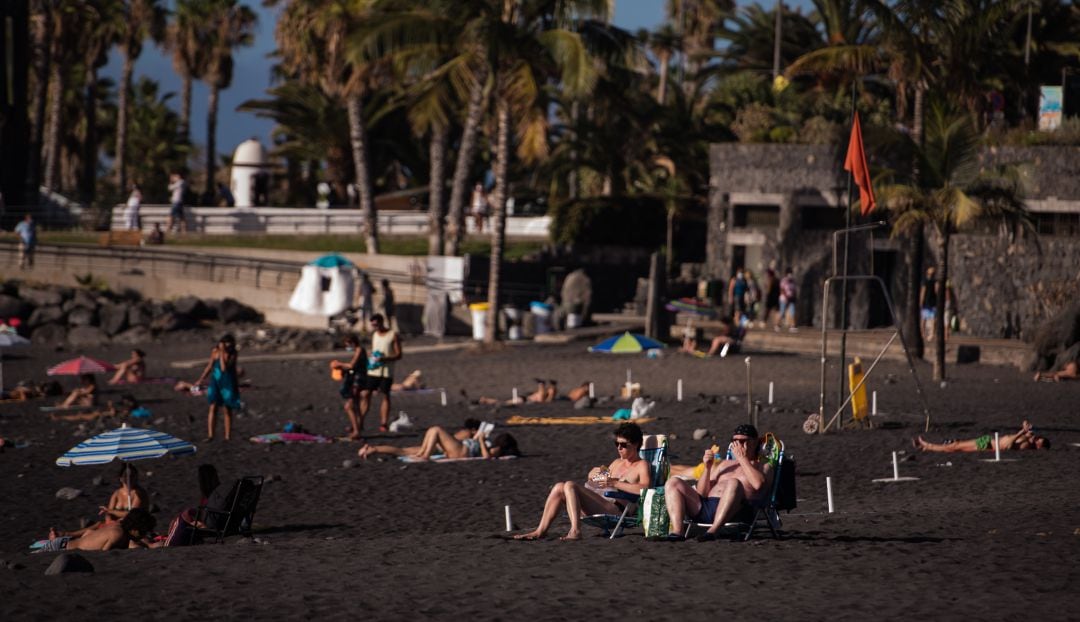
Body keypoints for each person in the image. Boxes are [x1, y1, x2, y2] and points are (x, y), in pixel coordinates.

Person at [514, 422, 651, 541]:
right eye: (616, 444)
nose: (619, 448)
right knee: (559, 487)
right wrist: (595, 474)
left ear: (636, 444)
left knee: (570, 485)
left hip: (617, 510)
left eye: (623, 445)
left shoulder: (642, 465)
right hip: (600, 502)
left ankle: (576, 530)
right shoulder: (616, 463)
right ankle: (540, 531)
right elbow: (596, 478)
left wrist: (615, 483)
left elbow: (645, 488)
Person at [660, 424, 770, 542]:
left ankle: (713, 531)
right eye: (734, 441)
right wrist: (707, 468)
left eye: (742, 441)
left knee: (733, 482)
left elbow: (759, 485)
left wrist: (743, 459)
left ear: (754, 442)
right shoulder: (724, 464)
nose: (738, 445)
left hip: (736, 510)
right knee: (673, 482)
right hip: (706, 506)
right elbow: (702, 493)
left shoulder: (763, 466)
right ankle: (678, 532)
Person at [53, 463, 148, 538]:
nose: (131, 478)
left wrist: (110, 512)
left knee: (100, 530)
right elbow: (108, 514)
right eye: (128, 476)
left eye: (133, 475)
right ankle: (68, 535)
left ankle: (69, 535)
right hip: (116, 524)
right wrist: (109, 519)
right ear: (121, 478)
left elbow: (132, 514)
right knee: (98, 525)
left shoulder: (138, 494)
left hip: (133, 526)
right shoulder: (117, 494)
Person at [358, 419, 519, 461]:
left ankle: (425, 454)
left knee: (436, 429)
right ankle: (374, 449)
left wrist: (482, 440)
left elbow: (486, 456)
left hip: (460, 450)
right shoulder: (472, 436)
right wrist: (479, 438)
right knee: (406, 450)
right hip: (458, 448)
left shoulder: (495, 447)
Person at [193, 334, 241, 441]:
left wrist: (223, 353)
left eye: (229, 343)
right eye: (225, 343)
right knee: (213, 406)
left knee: (227, 408)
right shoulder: (215, 351)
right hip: (215, 381)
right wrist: (201, 378)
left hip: (228, 382)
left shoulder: (233, 354)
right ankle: (211, 435)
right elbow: (210, 366)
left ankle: (227, 436)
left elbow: (224, 368)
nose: (227, 345)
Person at [358, 314, 401, 433]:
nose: (375, 327)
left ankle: (384, 423)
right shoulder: (375, 335)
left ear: (382, 322)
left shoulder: (393, 335)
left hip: (386, 371)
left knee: (385, 395)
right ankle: (359, 422)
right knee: (366, 394)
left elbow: (399, 354)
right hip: (373, 370)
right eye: (373, 325)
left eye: (376, 324)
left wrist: (385, 359)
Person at [42, 508, 156, 552]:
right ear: (135, 529)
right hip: (60, 548)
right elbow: (104, 552)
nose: (142, 535)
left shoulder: (118, 525)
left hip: (63, 543)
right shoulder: (118, 534)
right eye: (142, 532)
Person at [913, 420, 1050, 452]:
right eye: (1037, 437)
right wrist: (1026, 427)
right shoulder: (1028, 439)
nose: (1035, 438)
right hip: (988, 441)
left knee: (955, 447)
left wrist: (1021, 432)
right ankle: (927, 447)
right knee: (956, 444)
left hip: (988, 445)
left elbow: (1008, 446)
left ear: (1039, 446)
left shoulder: (1026, 445)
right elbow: (1027, 426)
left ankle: (927, 445)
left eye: (1038, 440)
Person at [330, 334, 367, 440]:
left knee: (349, 407)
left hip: (358, 382)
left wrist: (339, 364)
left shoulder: (359, 350)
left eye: (347, 344)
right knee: (355, 406)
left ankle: (356, 431)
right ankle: (358, 428)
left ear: (352, 342)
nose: (347, 346)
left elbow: (352, 365)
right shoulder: (358, 350)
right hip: (357, 381)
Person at [919, 266, 939, 340]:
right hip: (931, 302)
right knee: (931, 319)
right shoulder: (934, 281)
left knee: (926, 318)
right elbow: (937, 291)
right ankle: (929, 334)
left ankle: (924, 334)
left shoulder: (925, 281)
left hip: (928, 302)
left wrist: (921, 301)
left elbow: (923, 292)